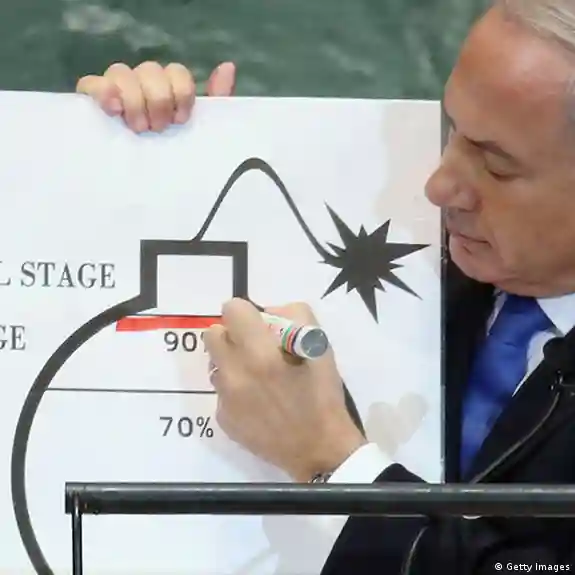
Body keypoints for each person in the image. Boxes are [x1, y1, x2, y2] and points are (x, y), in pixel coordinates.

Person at [76, 1, 575, 572]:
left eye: (497, 165)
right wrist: (164, 159)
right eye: (452, 129)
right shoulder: (414, 235)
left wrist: (329, 463)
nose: (439, 186)